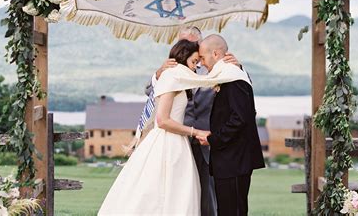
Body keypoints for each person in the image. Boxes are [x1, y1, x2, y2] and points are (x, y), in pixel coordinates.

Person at [97, 39, 250, 215]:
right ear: (182, 58)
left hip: (196, 144)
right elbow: (162, 119)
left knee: (198, 195)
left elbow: (232, 83)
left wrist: (236, 68)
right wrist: (195, 131)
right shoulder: (171, 76)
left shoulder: (200, 76)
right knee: (158, 192)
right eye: (194, 61)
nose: (197, 66)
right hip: (171, 141)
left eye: (198, 60)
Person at [145, 27, 241, 216]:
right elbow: (151, 94)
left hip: (206, 142)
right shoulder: (170, 72)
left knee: (206, 196)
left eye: (192, 44)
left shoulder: (214, 68)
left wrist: (237, 68)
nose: (187, 48)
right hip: (174, 142)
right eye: (183, 43)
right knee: (171, 195)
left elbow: (237, 91)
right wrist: (158, 75)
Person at [196, 34, 265, 216]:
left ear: (216, 53)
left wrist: (213, 139)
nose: (201, 63)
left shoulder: (233, 78)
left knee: (232, 211)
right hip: (229, 160)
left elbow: (240, 119)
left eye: (203, 57)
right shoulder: (227, 76)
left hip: (234, 160)